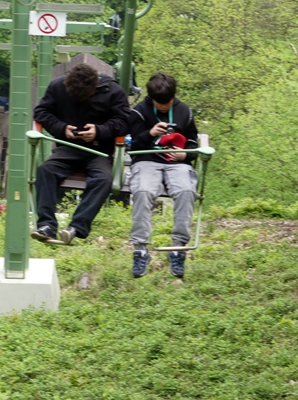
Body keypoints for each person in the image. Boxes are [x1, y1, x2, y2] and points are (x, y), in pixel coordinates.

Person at [30, 63, 130, 245]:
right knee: (45, 170)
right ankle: (46, 225)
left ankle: (76, 227)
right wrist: (62, 128)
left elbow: (124, 122)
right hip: (68, 147)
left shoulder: (113, 91)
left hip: (99, 151)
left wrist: (99, 131)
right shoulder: (57, 86)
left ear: (94, 88)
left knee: (103, 180)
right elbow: (41, 112)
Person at [128, 72, 199, 278]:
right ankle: (140, 249)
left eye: (167, 102)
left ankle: (178, 247)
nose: (164, 106)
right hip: (146, 160)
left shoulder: (184, 111)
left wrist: (185, 154)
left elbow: (192, 142)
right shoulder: (139, 112)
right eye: (159, 103)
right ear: (151, 98)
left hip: (177, 162)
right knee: (142, 191)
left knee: (186, 191)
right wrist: (150, 134)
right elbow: (132, 144)